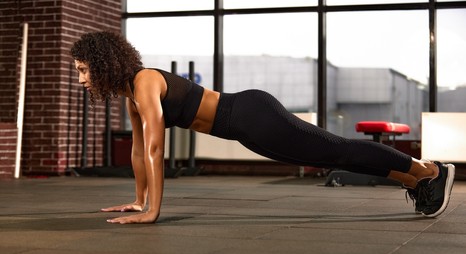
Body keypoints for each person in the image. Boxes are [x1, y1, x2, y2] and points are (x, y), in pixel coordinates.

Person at [71, 31, 455, 224]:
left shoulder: (145, 82)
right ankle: (416, 179)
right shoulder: (131, 95)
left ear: (104, 63)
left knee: (335, 149)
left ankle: (429, 170)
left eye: (85, 70)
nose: (82, 79)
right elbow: (139, 151)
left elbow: (156, 150)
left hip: (251, 113)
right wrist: (139, 200)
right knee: (330, 158)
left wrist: (153, 210)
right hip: (246, 130)